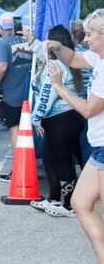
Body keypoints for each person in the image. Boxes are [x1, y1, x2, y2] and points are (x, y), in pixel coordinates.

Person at [46, 9, 104, 264]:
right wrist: (56, 47)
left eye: (91, 34)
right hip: (99, 150)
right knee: (80, 202)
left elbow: (87, 109)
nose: (86, 38)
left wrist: (58, 86)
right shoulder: (98, 59)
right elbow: (74, 58)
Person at [30, 25, 84, 217]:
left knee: (61, 161)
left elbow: (48, 94)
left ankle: (68, 205)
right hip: (67, 118)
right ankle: (54, 198)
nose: (44, 44)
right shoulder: (65, 61)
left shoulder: (56, 65)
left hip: (60, 119)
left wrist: (35, 117)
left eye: (47, 40)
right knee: (51, 157)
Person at [0, 12, 44, 181]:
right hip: (29, 93)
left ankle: (19, 170)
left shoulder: (1, 44)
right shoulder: (27, 40)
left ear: (1, 27)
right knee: (29, 130)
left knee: (15, 131)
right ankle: (34, 166)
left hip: (11, 95)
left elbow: (3, 66)